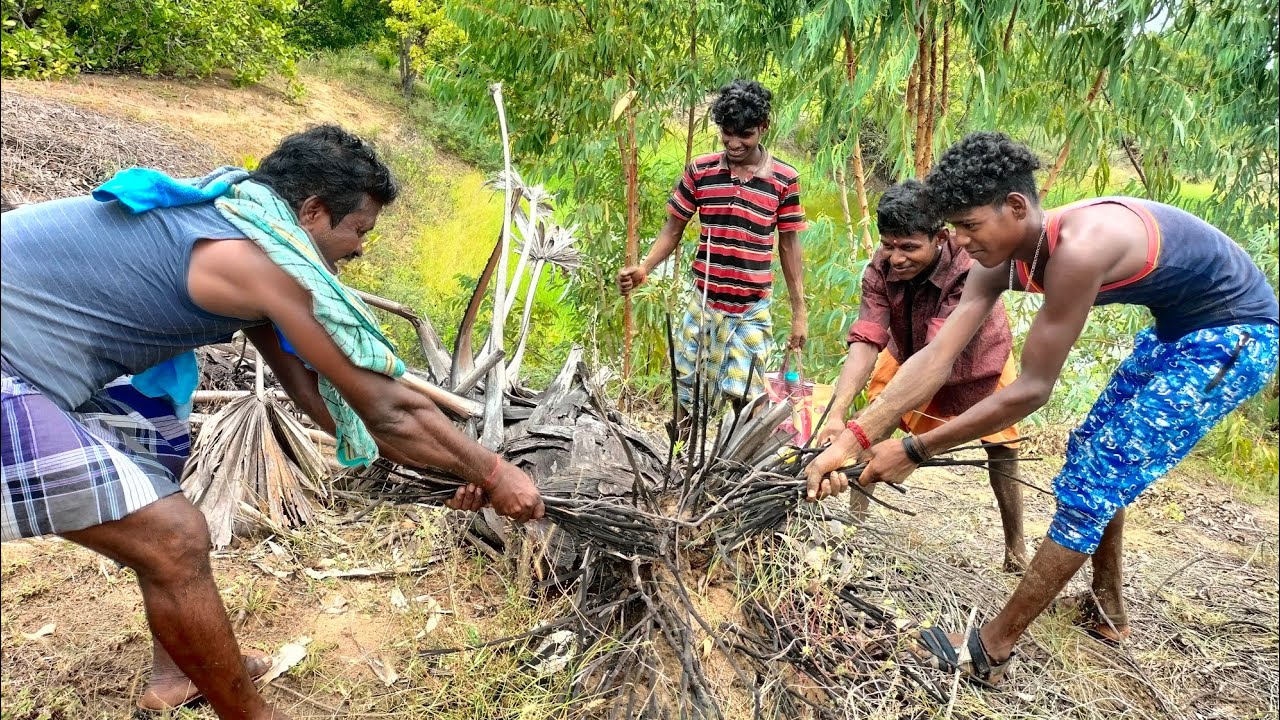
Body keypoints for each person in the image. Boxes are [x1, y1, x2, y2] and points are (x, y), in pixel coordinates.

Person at [1, 125, 543, 719]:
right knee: (172, 536)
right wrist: (492, 468)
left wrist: (456, 477)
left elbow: (322, 402)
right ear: (311, 212)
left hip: (31, 364)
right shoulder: (259, 262)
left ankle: (180, 669)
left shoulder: (245, 233)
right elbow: (387, 410)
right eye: (358, 230)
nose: (361, 248)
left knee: (157, 460)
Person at [804, 131, 1279, 685]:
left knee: (1098, 476)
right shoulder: (994, 256)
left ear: (1016, 207)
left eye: (970, 226)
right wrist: (854, 438)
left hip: (1232, 339)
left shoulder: (1080, 249)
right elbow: (936, 357)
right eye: (954, 227)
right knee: (1092, 456)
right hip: (1176, 331)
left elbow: (1032, 389)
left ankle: (991, 648)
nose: (961, 239)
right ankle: (1108, 611)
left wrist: (915, 447)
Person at [816, 179, 1028, 571]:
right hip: (908, 352)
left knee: (1001, 446)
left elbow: (939, 354)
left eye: (909, 247)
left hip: (980, 357)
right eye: (888, 244)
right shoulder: (879, 269)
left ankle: (1015, 549)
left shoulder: (969, 270)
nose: (896, 258)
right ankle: (853, 531)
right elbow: (866, 339)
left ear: (940, 237)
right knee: (869, 422)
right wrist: (835, 412)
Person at [617, 79, 807, 424]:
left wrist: (799, 311)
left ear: (763, 127)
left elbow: (790, 244)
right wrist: (644, 268)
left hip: (751, 307)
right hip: (703, 303)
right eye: (727, 132)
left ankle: (739, 472)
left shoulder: (784, 179)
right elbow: (673, 228)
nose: (734, 143)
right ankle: (676, 467)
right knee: (687, 393)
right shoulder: (700, 171)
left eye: (745, 134)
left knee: (749, 398)